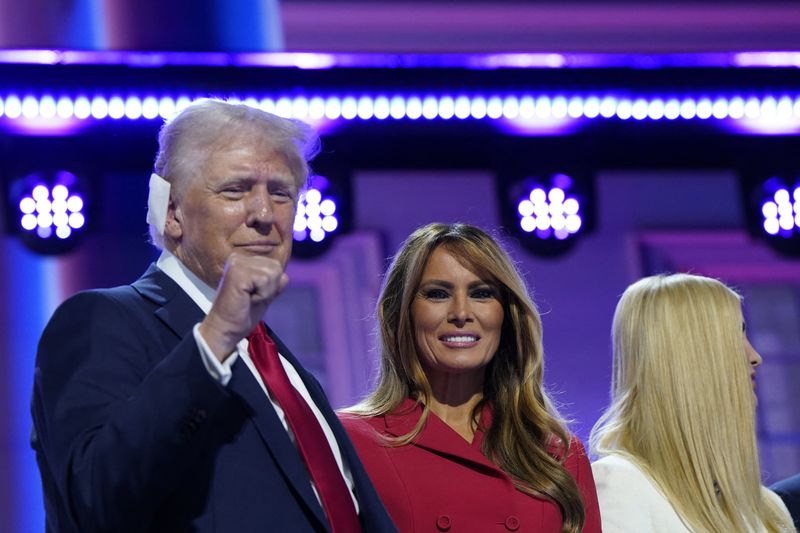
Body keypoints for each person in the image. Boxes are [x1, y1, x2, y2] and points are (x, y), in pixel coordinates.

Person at [30, 99, 396, 533]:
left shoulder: (276, 360)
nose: (264, 215)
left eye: (280, 193)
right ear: (171, 213)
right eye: (235, 190)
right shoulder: (102, 320)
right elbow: (93, 499)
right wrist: (216, 335)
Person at [339, 223, 602, 533]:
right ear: (401, 315)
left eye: (482, 294)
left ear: (506, 315)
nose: (461, 313)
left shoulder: (557, 453)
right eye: (437, 294)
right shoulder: (351, 440)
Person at [590, 273, 794, 533]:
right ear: (692, 357)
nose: (755, 357)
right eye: (735, 335)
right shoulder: (622, 484)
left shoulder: (764, 506)